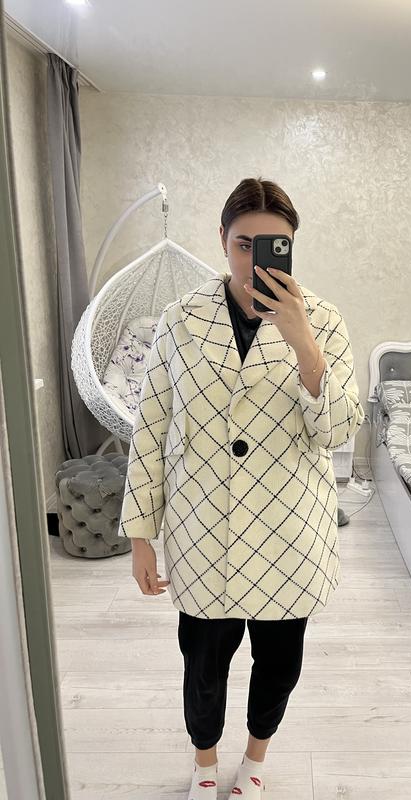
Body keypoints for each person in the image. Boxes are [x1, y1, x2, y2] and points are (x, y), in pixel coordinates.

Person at [117, 177, 365, 798]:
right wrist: (141, 535)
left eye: (273, 245)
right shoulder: (180, 321)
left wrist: (303, 344)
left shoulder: (323, 321)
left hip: (288, 532)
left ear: (292, 246)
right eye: (243, 244)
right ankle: (205, 764)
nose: (255, 259)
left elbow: (337, 430)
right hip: (205, 529)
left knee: (278, 666)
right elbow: (151, 429)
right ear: (222, 242)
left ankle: (254, 759)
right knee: (202, 666)